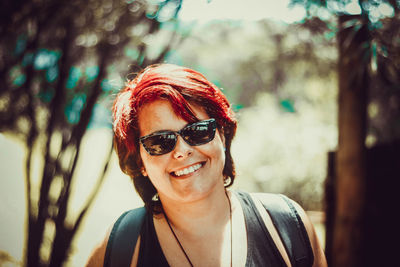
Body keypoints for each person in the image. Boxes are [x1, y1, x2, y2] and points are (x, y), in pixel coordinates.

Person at [86, 63, 327, 267]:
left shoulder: (286, 226)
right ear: (139, 162)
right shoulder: (121, 249)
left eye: (198, 131)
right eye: (159, 141)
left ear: (221, 135)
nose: (182, 151)